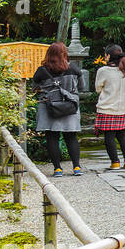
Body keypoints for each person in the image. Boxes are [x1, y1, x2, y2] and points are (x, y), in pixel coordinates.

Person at [31, 42, 84, 177]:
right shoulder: (74, 68)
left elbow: (34, 89)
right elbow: (82, 87)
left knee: (52, 137)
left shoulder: (42, 71)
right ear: (65, 53)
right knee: (71, 136)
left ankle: (57, 169)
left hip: (49, 107)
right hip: (69, 106)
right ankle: (76, 167)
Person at [95, 44, 125, 170]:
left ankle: (115, 162)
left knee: (109, 137)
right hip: (124, 109)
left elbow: (98, 88)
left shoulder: (103, 71)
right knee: (122, 135)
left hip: (108, 109)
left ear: (108, 56)